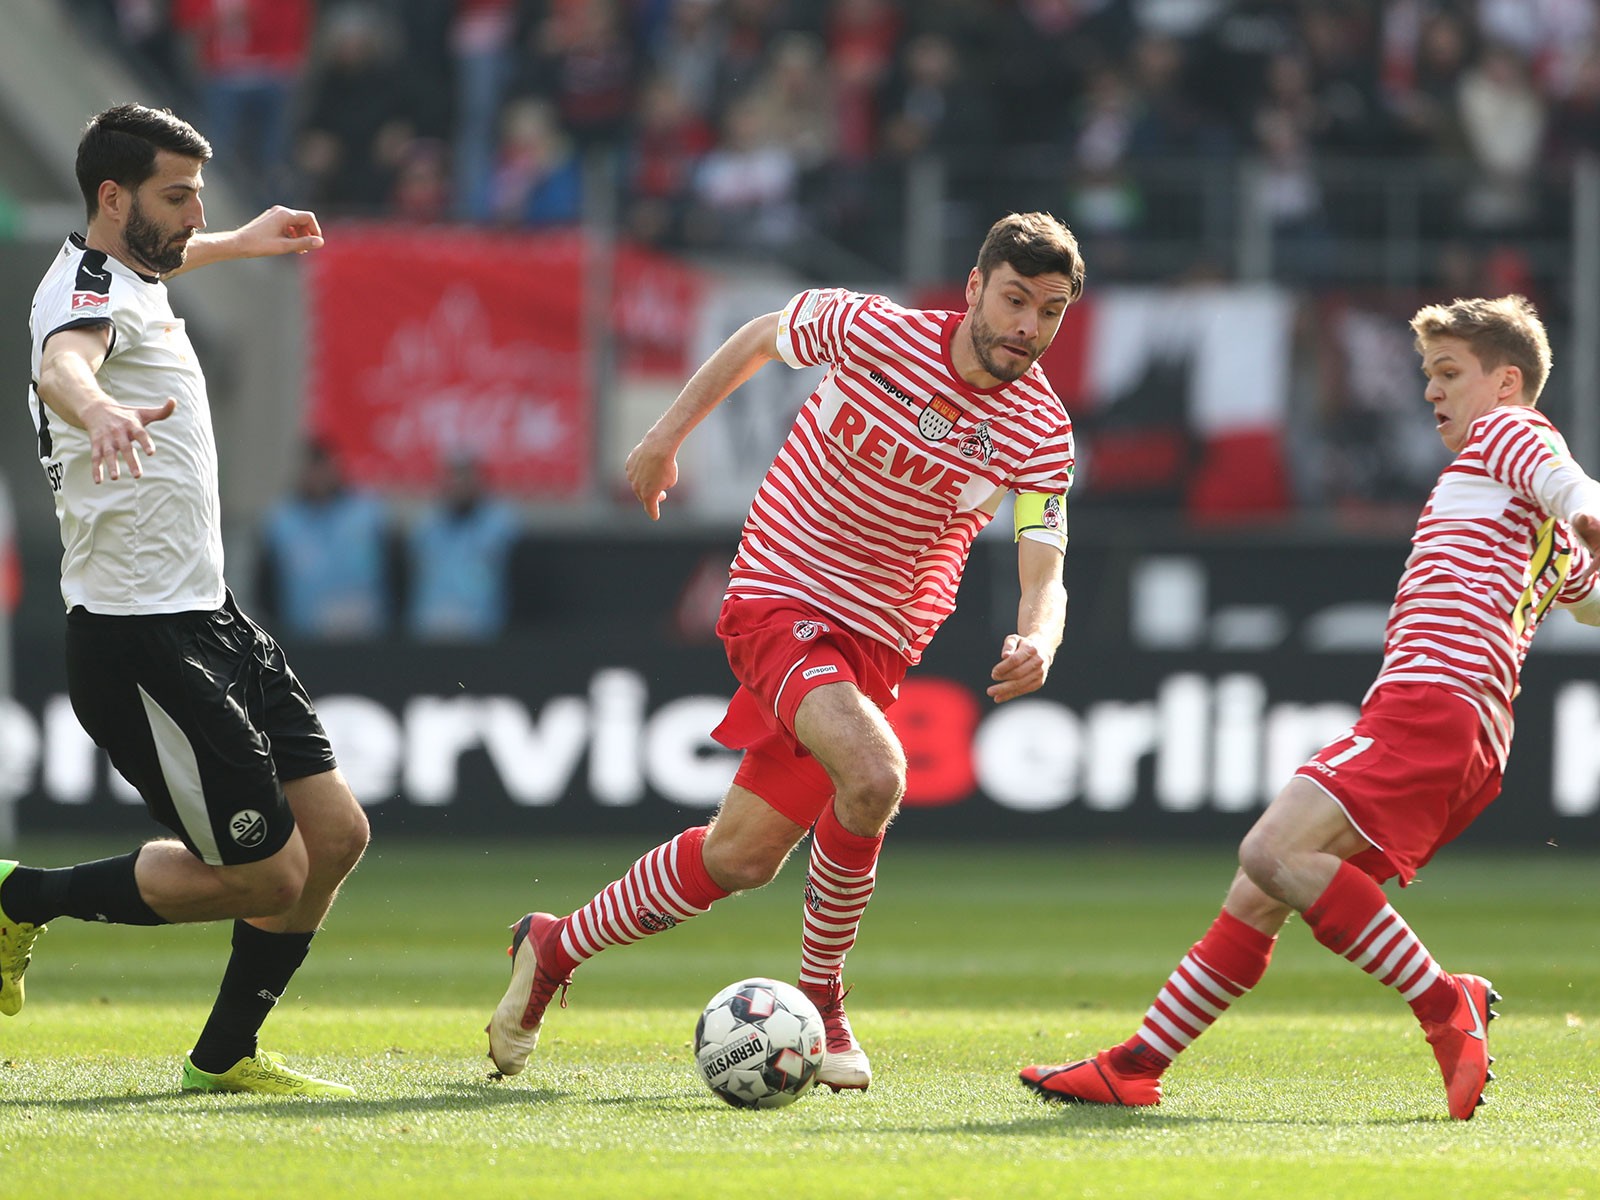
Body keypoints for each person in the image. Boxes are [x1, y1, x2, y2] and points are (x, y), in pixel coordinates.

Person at [487, 211, 1086, 1091]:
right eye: (1015, 300)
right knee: (877, 775)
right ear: (973, 289)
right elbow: (761, 336)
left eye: (1051, 311)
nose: (1028, 327)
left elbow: (1046, 563)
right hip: (781, 598)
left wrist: (1040, 636)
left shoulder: (1041, 429)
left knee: (739, 858)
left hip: (875, 646)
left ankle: (553, 946)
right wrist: (666, 434)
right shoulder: (874, 330)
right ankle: (824, 999)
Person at [1021, 294, 1600, 1121]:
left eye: (1448, 373)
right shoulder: (1532, 519)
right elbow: (1589, 596)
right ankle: (1136, 1064)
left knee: (1269, 850)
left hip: (1432, 703)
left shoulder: (1511, 434)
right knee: (1262, 890)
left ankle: (1445, 1003)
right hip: (1469, 729)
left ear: (1506, 382)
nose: (1431, 391)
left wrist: (1588, 507)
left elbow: (1570, 480)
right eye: (1427, 374)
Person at [0, 104, 370, 1097]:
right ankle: (20, 898)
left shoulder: (132, 271)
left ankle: (225, 1056)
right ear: (113, 198)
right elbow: (62, 362)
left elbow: (153, 268)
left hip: (210, 613)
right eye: (178, 196)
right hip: (138, 640)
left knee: (336, 836)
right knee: (268, 875)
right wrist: (101, 407)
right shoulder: (77, 294)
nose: (195, 211)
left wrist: (238, 245)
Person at [259, 440, 395, 640]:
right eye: (313, 468)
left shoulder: (368, 515)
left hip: (365, 636)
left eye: (324, 468)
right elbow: (267, 583)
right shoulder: (282, 522)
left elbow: (394, 572)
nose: (319, 476)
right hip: (303, 637)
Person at [404, 454, 520, 641]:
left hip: (482, 626)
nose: (460, 483)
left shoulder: (500, 524)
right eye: (454, 476)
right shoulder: (425, 527)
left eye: (466, 476)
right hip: (432, 624)